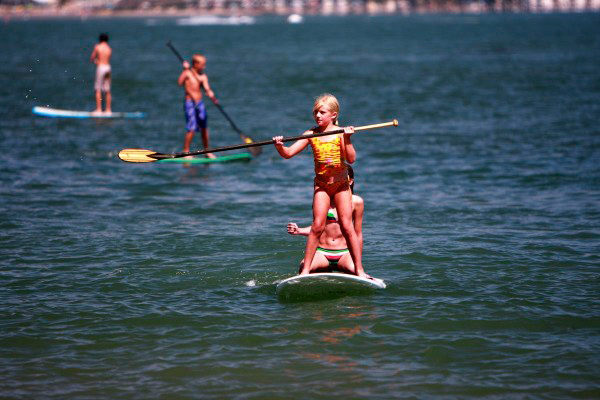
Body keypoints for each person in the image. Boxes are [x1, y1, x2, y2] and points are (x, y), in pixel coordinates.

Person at [273, 93, 371, 279]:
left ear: (333, 115)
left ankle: (359, 270)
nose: (318, 116)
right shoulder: (311, 134)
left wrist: (348, 138)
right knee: (317, 225)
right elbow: (288, 153)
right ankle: (306, 271)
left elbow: (351, 159)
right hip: (322, 186)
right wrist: (279, 146)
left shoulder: (341, 133)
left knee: (346, 226)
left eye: (322, 112)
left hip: (341, 185)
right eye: (316, 112)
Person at [287, 167, 364, 275]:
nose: (335, 182)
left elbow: (358, 234)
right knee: (303, 266)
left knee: (355, 271)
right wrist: (299, 231)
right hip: (322, 252)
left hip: (345, 253)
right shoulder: (321, 200)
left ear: (350, 181)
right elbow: (317, 228)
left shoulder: (356, 202)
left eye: (341, 178)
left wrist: (358, 264)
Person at [178, 54, 218, 158]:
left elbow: (207, 88)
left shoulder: (203, 76)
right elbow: (180, 82)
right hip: (190, 103)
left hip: (199, 103)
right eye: (202, 64)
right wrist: (184, 69)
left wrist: (211, 94)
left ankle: (207, 151)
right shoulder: (187, 73)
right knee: (191, 127)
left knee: (204, 127)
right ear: (195, 64)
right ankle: (186, 151)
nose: (204, 67)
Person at [90, 33, 112, 114]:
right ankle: (108, 110)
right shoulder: (109, 48)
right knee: (107, 90)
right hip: (108, 67)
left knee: (98, 89)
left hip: (101, 67)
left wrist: (96, 61)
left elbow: (92, 58)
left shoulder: (97, 47)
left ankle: (99, 110)